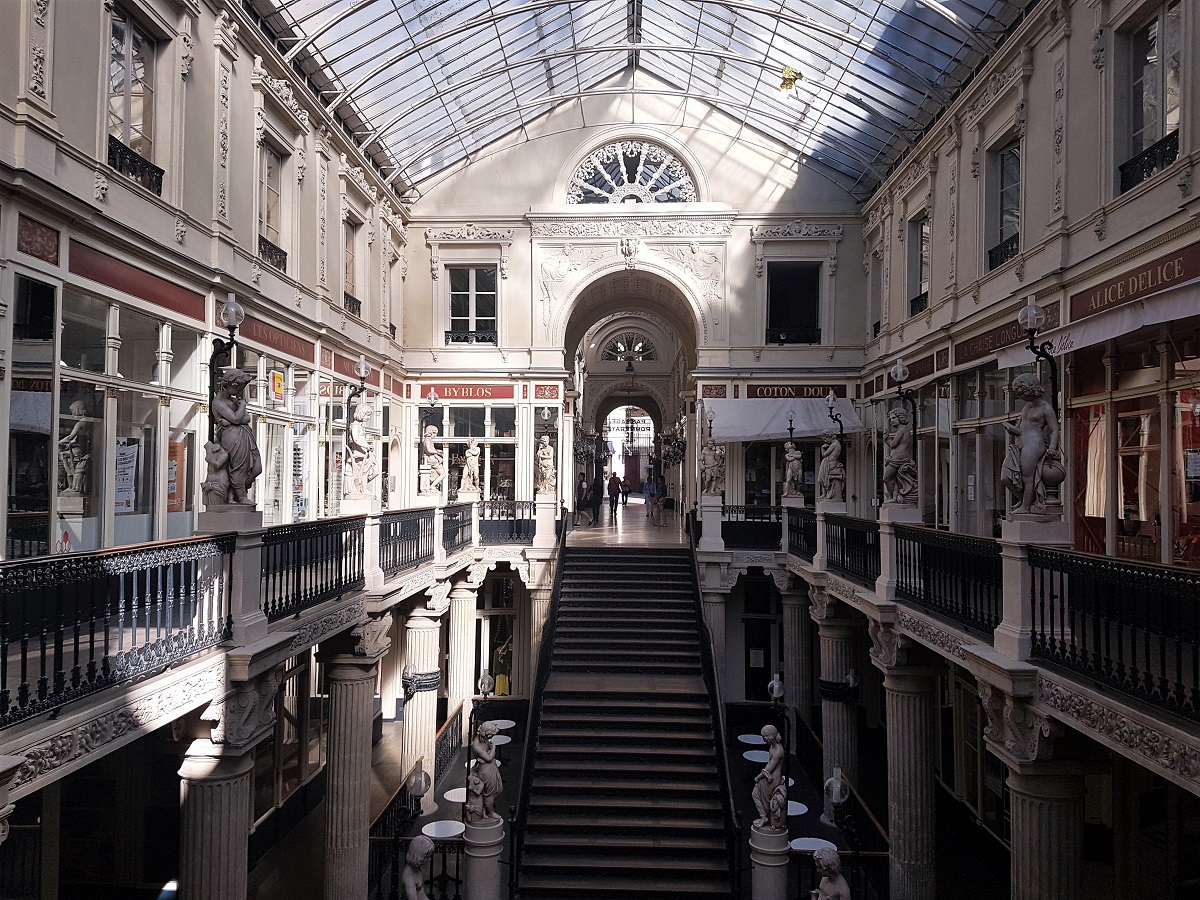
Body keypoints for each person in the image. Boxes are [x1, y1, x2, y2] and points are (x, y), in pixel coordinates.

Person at [1001, 373, 1061, 515]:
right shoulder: (1027, 408)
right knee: (1005, 477)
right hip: (1020, 444)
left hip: (1033, 444)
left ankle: (1026, 507)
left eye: (1021, 393)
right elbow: (1021, 426)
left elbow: (1054, 430)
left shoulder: (1045, 408)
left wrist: (1052, 447)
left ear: (1030, 389)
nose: (1020, 397)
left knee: (1027, 477)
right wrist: (1012, 429)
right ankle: (1025, 500)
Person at [211, 368, 262, 504]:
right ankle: (241, 497)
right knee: (239, 467)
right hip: (231, 436)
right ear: (232, 385)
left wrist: (234, 418)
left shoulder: (234, 402)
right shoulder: (218, 402)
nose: (239, 392)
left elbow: (245, 419)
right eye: (239, 388)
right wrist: (242, 407)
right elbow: (238, 419)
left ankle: (235, 490)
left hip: (245, 434)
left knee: (257, 468)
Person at [751, 724, 786, 829]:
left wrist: (758, 777)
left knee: (756, 794)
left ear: (770, 737)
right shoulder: (772, 747)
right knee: (756, 794)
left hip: (772, 779)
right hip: (768, 777)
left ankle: (764, 817)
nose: (763, 740)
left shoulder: (778, 751)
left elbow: (769, 768)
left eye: (764, 737)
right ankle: (763, 816)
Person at [882, 407, 917, 504]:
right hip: (897, 458)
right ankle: (894, 497)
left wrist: (886, 439)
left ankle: (892, 497)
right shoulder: (903, 429)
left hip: (898, 458)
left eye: (893, 418)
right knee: (895, 480)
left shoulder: (902, 429)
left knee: (886, 478)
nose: (891, 421)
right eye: (890, 419)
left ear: (900, 417)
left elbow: (893, 444)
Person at [471, 721, 503, 822]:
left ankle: (486, 809)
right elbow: (488, 758)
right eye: (491, 735)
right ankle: (491, 812)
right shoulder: (476, 745)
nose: (491, 738)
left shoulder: (483, 739)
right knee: (490, 793)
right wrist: (493, 748)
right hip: (486, 770)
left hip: (489, 767)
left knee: (497, 789)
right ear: (487, 733)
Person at [817, 431, 845, 502]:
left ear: (829, 436)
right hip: (829, 462)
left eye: (825, 439)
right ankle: (824, 494)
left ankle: (825, 494)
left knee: (821, 478)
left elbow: (824, 454)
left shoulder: (834, 444)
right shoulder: (835, 444)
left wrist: (822, 448)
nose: (825, 441)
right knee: (821, 478)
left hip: (830, 463)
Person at [421, 425, 444, 494]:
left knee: (437, 474)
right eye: (435, 434)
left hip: (432, 458)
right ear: (431, 433)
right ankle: (432, 486)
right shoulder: (427, 440)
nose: (435, 436)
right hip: (432, 459)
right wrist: (438, 452)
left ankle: (431, 486)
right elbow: (429, 450)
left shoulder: (427, 440)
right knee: (443, 474)